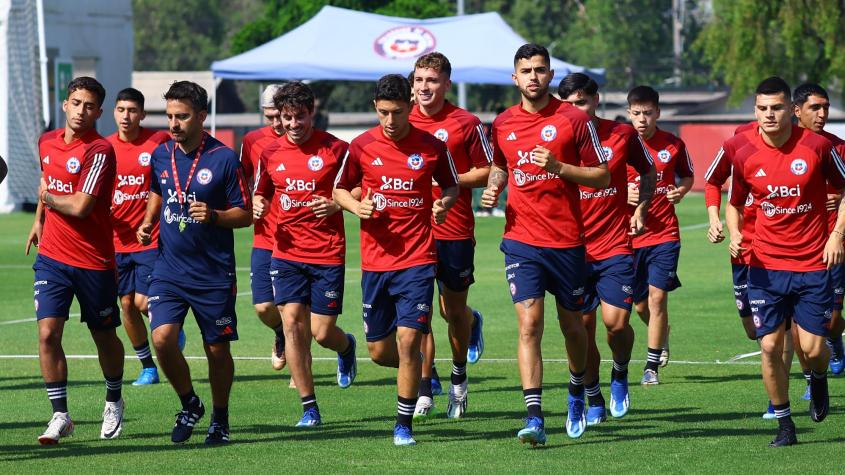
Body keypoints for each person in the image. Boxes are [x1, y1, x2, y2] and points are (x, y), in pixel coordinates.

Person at [480, 44, 608, 446]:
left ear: (550, 75)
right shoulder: (502, 123)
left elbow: (601, 175)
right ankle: (534, 416)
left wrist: (558, 168)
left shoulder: (573, 120)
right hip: (521, 241)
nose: (532, 77)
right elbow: (501, 163)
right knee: (529, 324)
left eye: (539, 70)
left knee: (574, 327)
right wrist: (494, 184)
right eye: (525, 70)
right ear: (514, 78)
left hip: (568, 241)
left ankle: (575, 390)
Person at [333, 74, 459, 446]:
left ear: (410, 106)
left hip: (418, 259)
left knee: (408, 342)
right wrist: (357, 205)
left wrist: (444, 202)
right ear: (376, 107)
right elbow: (339, 189)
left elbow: (451, 184)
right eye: (384, 112)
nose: (390, 120)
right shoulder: (360, 146)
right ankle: (421, 369)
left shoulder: (431, 146)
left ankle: (403, 423)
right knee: (380, 352)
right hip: (375, 263)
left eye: (398, 112)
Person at [727, 76, 845, 447]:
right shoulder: (744, 153)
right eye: (762, 108)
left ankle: (819, 377)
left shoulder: (817, 147)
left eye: (776, 108)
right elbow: (734, 203)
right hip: (764, 267)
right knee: (769, 347)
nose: (769, 115)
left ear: (790, 112)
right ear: (755, 111)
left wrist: (837, 236)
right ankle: (784, 424)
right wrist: (734, 233)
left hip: (812, 264)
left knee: (812, 349)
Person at [137, 81, 251, 445]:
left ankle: (220, 417)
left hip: (213, 272)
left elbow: (246, 214)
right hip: (169, 267)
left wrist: (215, 215)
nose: (174, 124)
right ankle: (189, 402)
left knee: (216, 349)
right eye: (170, 116)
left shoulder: (224, 158)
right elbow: (159, 189)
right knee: (162, 338)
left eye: (182, 117)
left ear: (202, 117)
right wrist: (148, 221)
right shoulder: (160, 153)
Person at [253, 81, 358, 428]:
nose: (294, 124)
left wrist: (336, 203)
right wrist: (258, 203)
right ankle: (309, 407)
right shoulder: (270, 153)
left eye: (300, 116)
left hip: (327, 252)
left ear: (311, 113)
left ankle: (345, 348)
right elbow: (261, 192)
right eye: (287, 117)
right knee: (293, 325)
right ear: (279, 117)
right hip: (286, 253)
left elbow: (358, 186)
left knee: (322, 332)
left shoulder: (337, 149)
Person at [26, 76, 125, 444]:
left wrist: (48, 201)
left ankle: (114, 397)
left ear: (99, 112)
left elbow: (82, 206)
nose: (82, 111)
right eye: (76, 103)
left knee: (103, 335)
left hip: (93, 261)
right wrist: (39, 219)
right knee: (47, 333)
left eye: (89, 106)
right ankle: (60, 415)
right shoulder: (46, 140)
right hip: (52, 257)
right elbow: (46, 180)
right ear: (65, 104)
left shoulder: (99, 150)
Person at [558, 72, 655, 425]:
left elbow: (648, 170)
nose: (576, 111)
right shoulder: (554, 141)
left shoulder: (621, 135)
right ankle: (592, 395)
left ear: (596, 100)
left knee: (615, 325)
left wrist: (641, 208)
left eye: (582, 103)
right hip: (572, 250)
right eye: (569, 105)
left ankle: (620, 371)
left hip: (615, 245)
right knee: (582, 331)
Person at [408, 52, 492, 420]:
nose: (424, 87)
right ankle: (425, 388)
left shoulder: (465, 123)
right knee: (420, 313)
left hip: (455, 229)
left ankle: (459, 375)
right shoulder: (400, 120)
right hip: (411, 233)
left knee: (451, 310)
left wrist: (446, 179)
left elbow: (488, 169)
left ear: (446, 84)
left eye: (432, 80)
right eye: (419, 80)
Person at [705, 120, 799, 419]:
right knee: (753, 330)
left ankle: (778, 401)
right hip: (741, 255)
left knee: (774, 333)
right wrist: (715, 220)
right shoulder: (736, 143)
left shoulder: (791, 147)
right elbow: (711, 181)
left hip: (774, 255)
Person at [626, 85, 694, 384]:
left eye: (648, 113)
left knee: (657, 300)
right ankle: (661, 332)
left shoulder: (673, 144)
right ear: (629, 113)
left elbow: (688, 175)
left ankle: (650, 367)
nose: (642, 119)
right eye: (637, 113)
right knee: (641, 306)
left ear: (658, 113)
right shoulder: (618, 144)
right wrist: (620, 194)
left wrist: (682, 190)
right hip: (627, 236)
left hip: (664, 234)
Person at [107, 87, 172, 386]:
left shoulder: (158, 142)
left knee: (145, 303)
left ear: (142, 115)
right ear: (114, 113)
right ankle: (148, 366)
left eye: (132, 111)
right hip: (116, 242)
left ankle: (171, 330)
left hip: (150, 239)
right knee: (126, 307)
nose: (126, 116)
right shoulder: (105, 148)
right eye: (121, 110)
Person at [792, 83, 845, 376]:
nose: (822, 113)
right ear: (797, 111)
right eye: (815, 108)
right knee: (797, 320)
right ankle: (811, 378)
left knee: (833, 318)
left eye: (825, 107)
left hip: (833, 243)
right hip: (798, 248)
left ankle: (835, 339)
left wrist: (838, 199)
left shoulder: (838, 147)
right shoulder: (785, 146)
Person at [239, 84, 288, 372]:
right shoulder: (252, 140)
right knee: (264, 308)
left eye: (279, 115)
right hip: (264, 235)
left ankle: (299, 368)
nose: (276, 123)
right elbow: (243, 178)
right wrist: (251, 202)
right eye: (269, 117)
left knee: (293, 308)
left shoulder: (303, 139)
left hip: (299, 239)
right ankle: (280, 333)